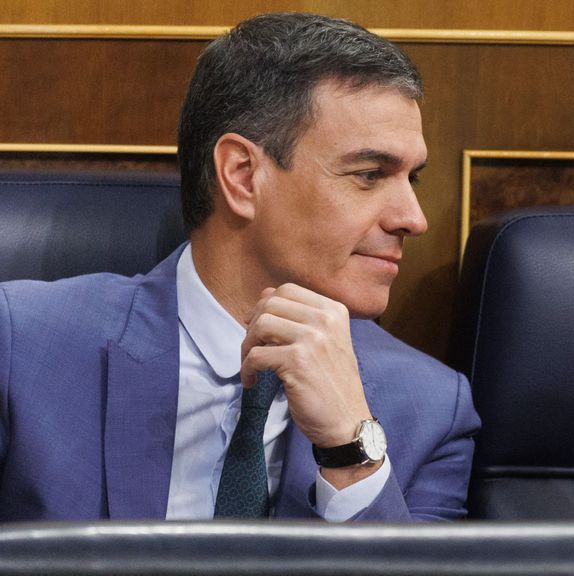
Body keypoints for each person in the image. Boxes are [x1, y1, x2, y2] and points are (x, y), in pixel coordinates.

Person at [0, 12, 479, 522]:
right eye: (369, 174)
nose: (414, 218)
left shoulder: (432, 409)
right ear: (242, 175)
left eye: (414, 180)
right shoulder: (22, 347)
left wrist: (350, 452)